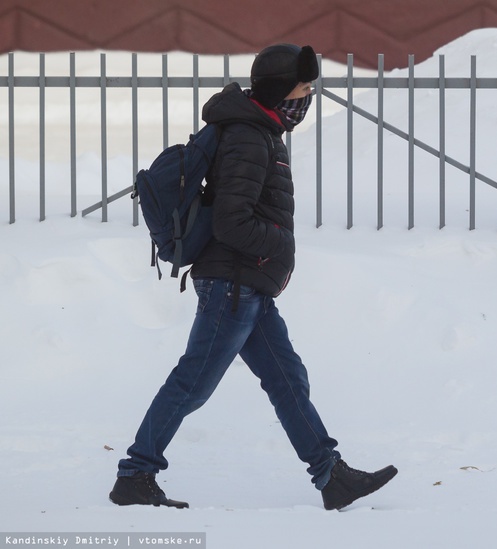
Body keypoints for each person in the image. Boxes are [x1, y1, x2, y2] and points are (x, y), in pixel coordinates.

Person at [109, 44, 397, 511]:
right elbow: (231, 222)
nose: (307, 97)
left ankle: (331, 475)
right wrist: (280, 242)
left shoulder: (260, 131)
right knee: (192, 383)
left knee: (287, 378)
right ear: (281, 89)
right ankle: (135, 474)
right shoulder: (248, 135)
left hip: (247, 285)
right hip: (233, 285)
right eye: (304, 88)